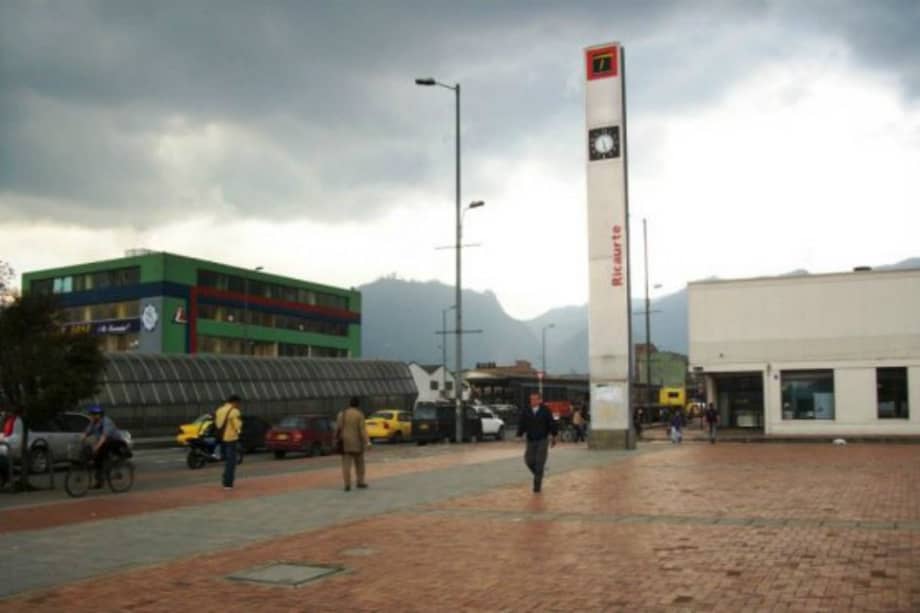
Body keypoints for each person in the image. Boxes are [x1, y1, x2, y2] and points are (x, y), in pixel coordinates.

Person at [516, 395, 558, 493]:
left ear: (540, 400)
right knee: (528, 461)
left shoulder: (545, 410)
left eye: (535, 399)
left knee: (539, 463)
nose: (532, 401)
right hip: (530, 440)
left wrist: (554, 436)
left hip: (542, 440)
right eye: (531, 399)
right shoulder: (526, 410)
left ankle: (537, 486)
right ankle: (539, 474)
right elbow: (522, 423)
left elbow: (551, 423)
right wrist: (519, 434)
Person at [81, 405, 128, 489]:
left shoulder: (106, 421)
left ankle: (103, 475)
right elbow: (87, 432)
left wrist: (97, 447)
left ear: (100, 414)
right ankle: (100, 479)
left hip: (115, 442)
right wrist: (82, 439)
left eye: (95, 414)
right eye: (92, 414)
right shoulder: (93, 422)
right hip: (106, 442)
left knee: (100, 455)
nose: (93, 416)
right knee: (96, 459)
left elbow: (104, 437)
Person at [336, 396, 370, 492]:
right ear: (358, 404)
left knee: (346, 465)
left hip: (345, 443)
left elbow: (338, 428)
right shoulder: (359, 415)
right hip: (357, 443)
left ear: (349, 403)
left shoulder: (341, 414)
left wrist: (336, 439)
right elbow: (362, 430)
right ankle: (360, 482)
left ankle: (347, 484)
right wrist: (367, 442)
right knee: (360, 464)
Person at [214, 394, 243, 489]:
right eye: (238, 403)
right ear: (235, 402)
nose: (239, 405)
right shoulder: (234, 411)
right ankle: (228, 483)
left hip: (221, 438)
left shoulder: (219, 410)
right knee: (231, 461)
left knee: (226, 460)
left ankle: (225, 479)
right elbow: (237, 426)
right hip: (231, 439)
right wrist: (239, 431)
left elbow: (217, 424)